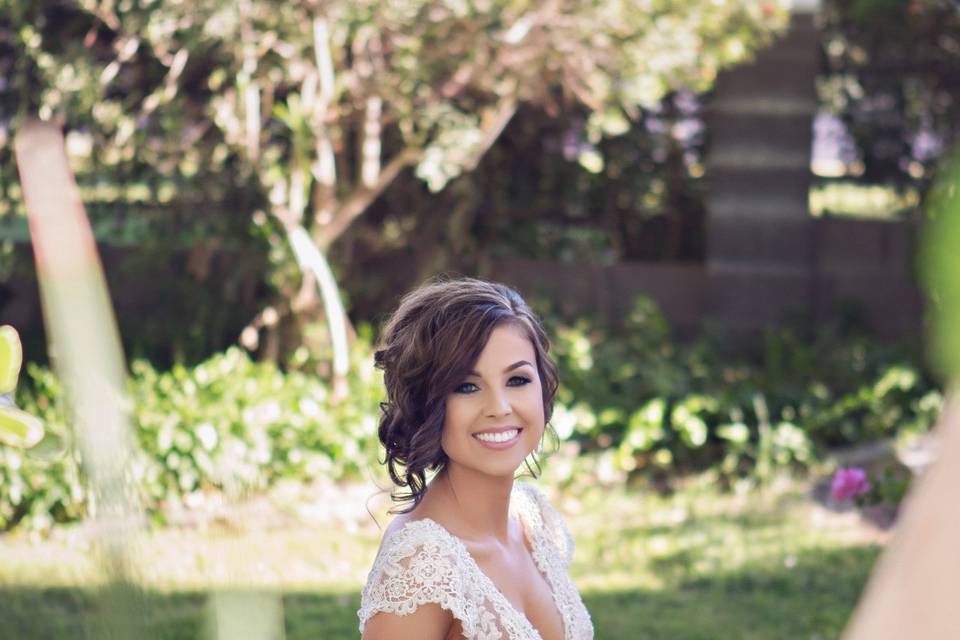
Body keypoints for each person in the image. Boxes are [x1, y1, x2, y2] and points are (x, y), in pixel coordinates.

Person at [358, 277, 594, 640]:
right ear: (428, 403)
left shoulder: (533, 521)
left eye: (517, 380)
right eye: (467, 386)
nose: (499, 408)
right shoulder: (419, 567)